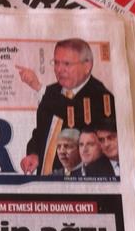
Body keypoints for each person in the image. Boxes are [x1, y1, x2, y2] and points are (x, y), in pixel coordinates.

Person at [18, 38, 115, 175]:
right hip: (44, 181)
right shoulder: (51, 92)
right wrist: (34, 154)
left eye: (67, 64)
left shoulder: (101, 96)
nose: (59, 69)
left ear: (87, 66)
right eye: (56, 63)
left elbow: (75, 114)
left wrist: (38, 87)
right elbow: (40, 133)